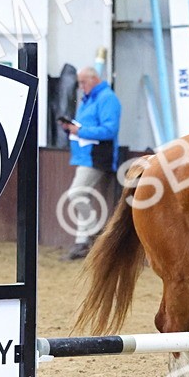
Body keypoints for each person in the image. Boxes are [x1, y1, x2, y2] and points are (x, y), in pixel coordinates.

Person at [58, 66, 121, 260]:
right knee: (79, 195)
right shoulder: (91, 99)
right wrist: (72, 128)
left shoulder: (107, 99)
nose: (80, 86)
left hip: (96, 156)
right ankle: (83, 241)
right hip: (86, 156)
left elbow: (109, 130)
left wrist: (80, 131)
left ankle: (93, 235)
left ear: (94, 79)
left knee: (76, 193)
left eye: (83, 82)